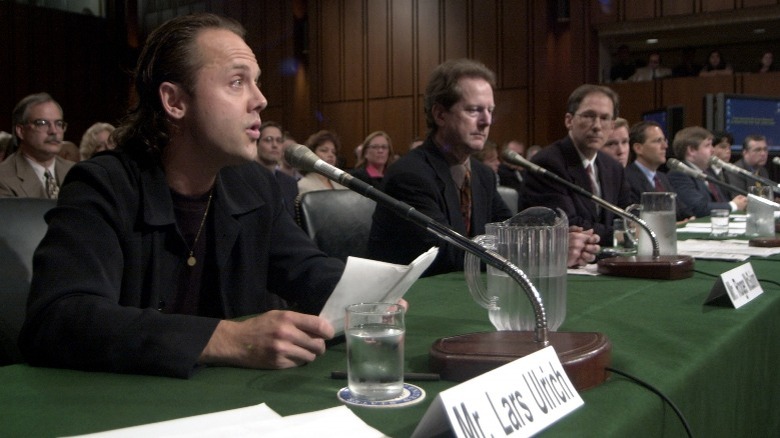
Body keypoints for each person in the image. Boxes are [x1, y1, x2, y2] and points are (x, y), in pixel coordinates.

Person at [18, 13, 346, 378]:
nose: (261, 100)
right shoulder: (103, 185)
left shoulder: (253, 184)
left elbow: (307, 270)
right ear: (174, 101)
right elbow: (59, 318)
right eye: (237, 82)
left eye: (257, 83)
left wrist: (371, 295)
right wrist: (226, 338)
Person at [368, 59, 600, 276]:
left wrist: (558, 242)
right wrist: (547, 252)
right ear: (440, 114)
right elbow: (448, 255)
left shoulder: (482, 174)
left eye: (490, 110)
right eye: (474, 110)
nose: (487, 121)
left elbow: (511, 233)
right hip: (412, 303)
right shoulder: (410, 176)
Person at [523, 84, 631, 244]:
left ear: (612, 126)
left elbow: (626, 218)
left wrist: (626, 231)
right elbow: (568, 225)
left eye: (604, 118)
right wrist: (618, 236)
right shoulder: (548, 163)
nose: (597, 126)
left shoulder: (613, 167)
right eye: (588, 116)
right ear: (569, 121)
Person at [0, 93, 74, 198]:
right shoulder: (3, 178)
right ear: (21, 131)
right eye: (42, 123)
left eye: (58, 123)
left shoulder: (75, 171)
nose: (54, 131)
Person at [667, 126, 747, 218]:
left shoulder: (708, 173)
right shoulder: (679, 174)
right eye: (707, 145)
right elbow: (698, 208)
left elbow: (723, 200)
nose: (712, 150)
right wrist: (733, 205)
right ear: (691, 150)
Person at [625, 121, 695, 222]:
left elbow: (683, 211)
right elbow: (638, 219)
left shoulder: (662, 177)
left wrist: (690, 219)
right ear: (638, 148)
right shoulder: (627, 178)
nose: (665, 146)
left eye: (664, 140)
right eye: (658, 141)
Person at [256, 121, 298, 217]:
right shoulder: (245, 179)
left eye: (279, 140)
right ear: (256, 144)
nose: (275, 145)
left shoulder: (290, 183)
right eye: (268, 140)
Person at [297, 130, 348, 194]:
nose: (331, 155)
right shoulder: (303, 185)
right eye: (324, 150)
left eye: (333, 152)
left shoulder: (342, 184)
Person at [709, 131, 738, 198]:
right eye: (723, 147)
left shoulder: (726, 173)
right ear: (710, 148)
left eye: (729, 148)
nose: (728, 151)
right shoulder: (704, 172)